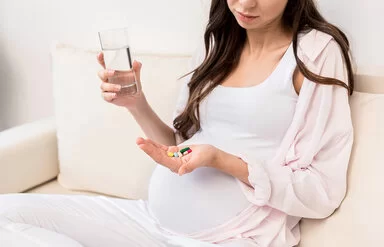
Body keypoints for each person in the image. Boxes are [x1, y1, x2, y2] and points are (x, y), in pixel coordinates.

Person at [0, 0, 354, 246]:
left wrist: (223, 160)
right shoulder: (217, 46)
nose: (245, 5)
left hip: (231, 238)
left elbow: (322, 190)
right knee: (5, 214)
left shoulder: (315, 53)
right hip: (149, 223)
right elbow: (179, 149)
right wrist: (135, 103)